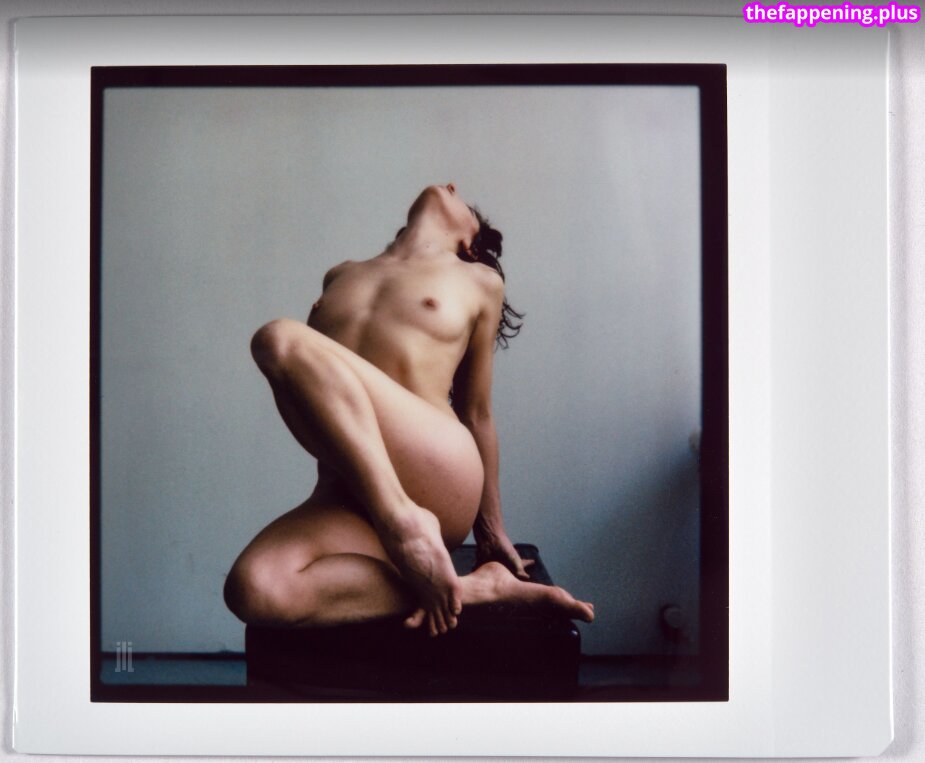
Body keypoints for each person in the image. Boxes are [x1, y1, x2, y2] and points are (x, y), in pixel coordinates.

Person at [223, 183, 594, 638]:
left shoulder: (479, 280)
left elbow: (476, 412)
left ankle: (404, 522)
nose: (451, 188)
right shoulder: (340, 274)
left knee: (280, 339)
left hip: (435, 472)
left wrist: (491, 530)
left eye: (463, 200)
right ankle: (472, 589)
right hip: (352, 496)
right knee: (255, 588)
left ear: (469, 243)